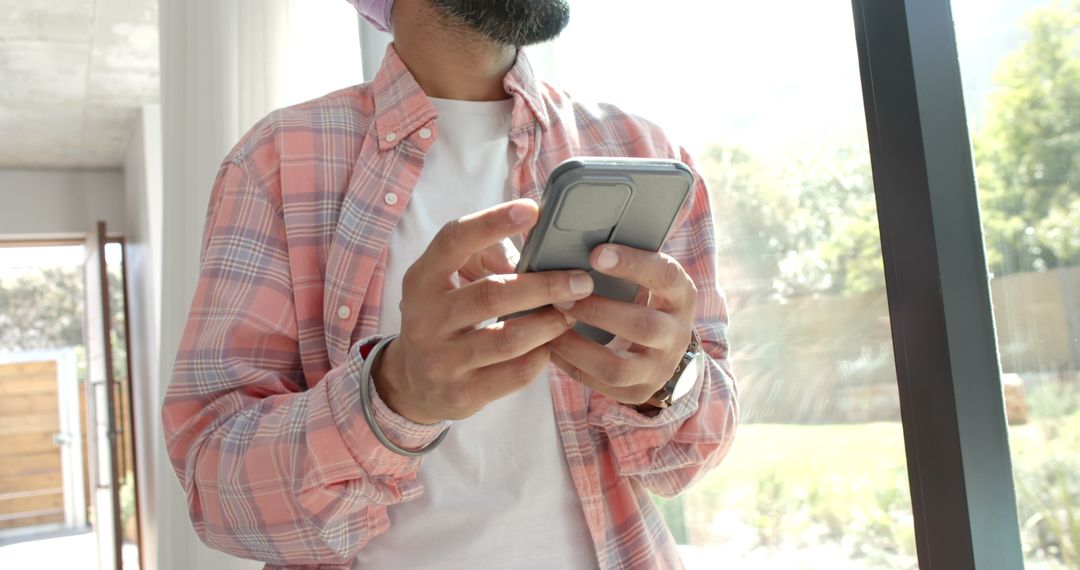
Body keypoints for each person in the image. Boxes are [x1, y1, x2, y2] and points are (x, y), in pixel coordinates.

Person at [162, 0, 738, 568]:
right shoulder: (277, 161)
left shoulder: (642, 151)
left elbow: (686, 460)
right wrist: (392, 398)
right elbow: (216, 493)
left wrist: (670, 380)